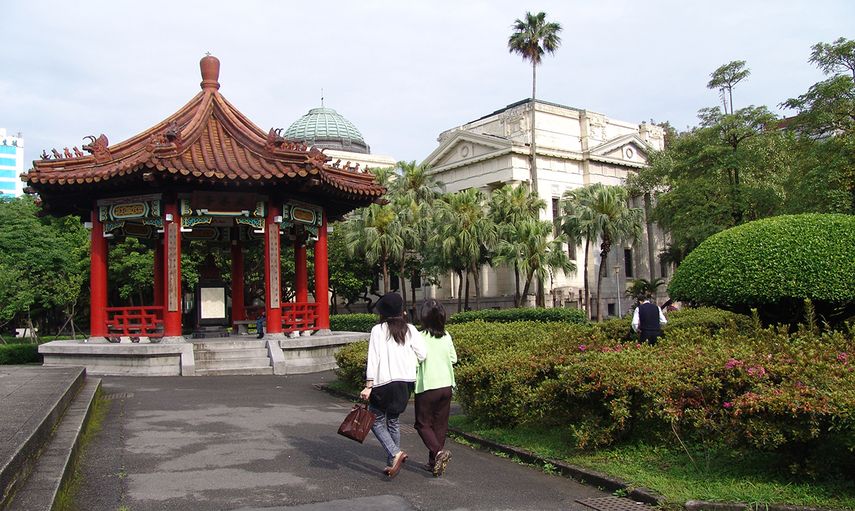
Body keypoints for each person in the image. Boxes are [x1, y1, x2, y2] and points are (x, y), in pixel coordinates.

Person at [359, 293, 426, 478]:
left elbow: (373, 359)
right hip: (405, 383)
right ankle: (392, 462)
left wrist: (368, 385)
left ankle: (395, 453)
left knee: (375, 420)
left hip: (383, 383)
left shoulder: (378, 330)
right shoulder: (411, 329)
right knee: (393, 421)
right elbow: (423, 354)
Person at [414, 299, 457, 477]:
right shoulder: (446, 336)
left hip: (427, 385)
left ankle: (438, 453)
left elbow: (415, 360)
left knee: (423, 424)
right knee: (440, 425)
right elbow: (453, 359)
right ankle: (433, 463)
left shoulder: (418, 336)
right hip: (446, 384)